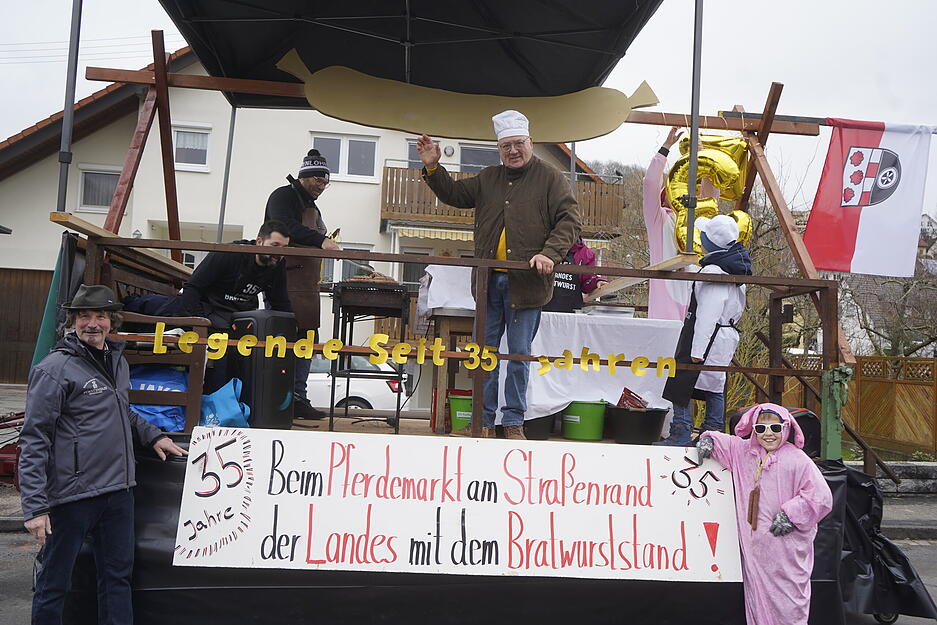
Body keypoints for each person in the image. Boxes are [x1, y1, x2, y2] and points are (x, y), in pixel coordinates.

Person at [18, 284, 187, 625]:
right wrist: (35, 507)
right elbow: (34, 439)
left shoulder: (116, 360)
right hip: (72, 497)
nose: (92, 323)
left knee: (116, 579)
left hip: (119, 493)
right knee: (55, 583)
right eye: (84, 316)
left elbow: (122, 411)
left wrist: (154, 436)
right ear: (73, 322)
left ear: (112, 321)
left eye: (100, 316)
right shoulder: (54, 370)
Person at [417, 110, 581, 439]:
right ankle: (484, 422)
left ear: (530, 142)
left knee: (518, 356)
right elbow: (453, 194)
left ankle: (514, 422)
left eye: (518, 144)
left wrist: (549, 254)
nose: (513, 151)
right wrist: (433, 166)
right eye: (506, 146)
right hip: (488, 282)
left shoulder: (550, 178)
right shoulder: (488, 178)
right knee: (484, 355)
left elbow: (569, 220)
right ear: (499, 149)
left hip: (528, 285)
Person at [697, 403, 833, 625]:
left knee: (789, 605)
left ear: (786, 428)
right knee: (757, 604)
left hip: (784, 553)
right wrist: (708, 440)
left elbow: (820, 496)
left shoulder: (798, 460)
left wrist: (791, 514)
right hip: (755, 554)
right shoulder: (744, 452)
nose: (768, 434)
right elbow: (723, 442)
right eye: (761, 428)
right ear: (753, 429)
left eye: (775, 428)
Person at [659, 214, 751, 445]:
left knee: (682, 378)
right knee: (714, 383)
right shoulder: (732, 267)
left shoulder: (714, 271)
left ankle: (681, 432)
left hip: (708, 334)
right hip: (724, 334)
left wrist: (697, 349)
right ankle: (713, 433)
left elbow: (708, 312)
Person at [265, 149, 341, 420]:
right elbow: (283, 226)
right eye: (319, 181)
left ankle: (298, 397)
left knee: (308, 339)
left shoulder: (313, 206)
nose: (322, 187)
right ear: (306, 176)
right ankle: (276, 399)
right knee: (283, 339)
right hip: (283, 278)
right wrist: (321, 241)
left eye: (325, 183)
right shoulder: (283, 196)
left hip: (306, 283)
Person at [180, 220, 293, 393]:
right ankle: (217, 408)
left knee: (262, 354)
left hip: (240, 322)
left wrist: (289, 334)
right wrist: (201, 323)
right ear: (259, 242)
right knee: (224, 354)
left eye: (284, 248)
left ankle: (246, 407)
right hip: (210, 316)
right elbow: (192, 288)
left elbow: (281, 303)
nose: (278, 253)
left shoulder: (277, 265)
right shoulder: (230, 254)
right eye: (275, 245)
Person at [642, 126, 719, 321]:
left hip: (696, 303)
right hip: (665, 308)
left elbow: (712, 194)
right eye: (674, 189)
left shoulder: (699, 220)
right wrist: (666, 147)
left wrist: (702, 155)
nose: (681, 194)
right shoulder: (659, 220)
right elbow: (650, 183)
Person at [543, 237, 608, 313]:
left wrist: (596, 282)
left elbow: (587, 281)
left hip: (571, 313)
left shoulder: (586, 253)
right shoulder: (541, 248)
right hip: (541, 310)